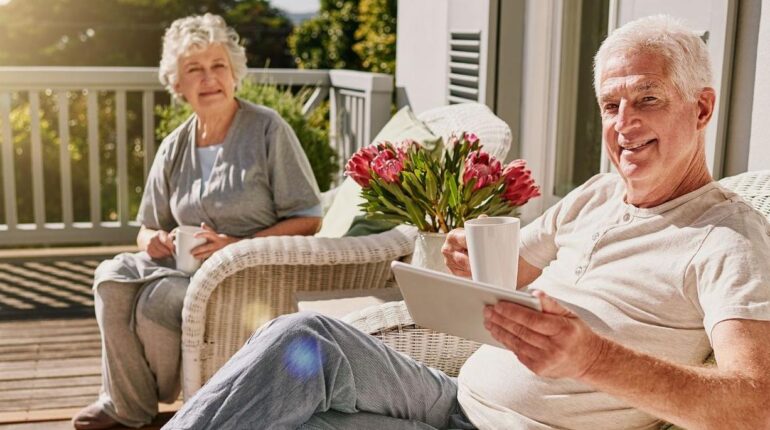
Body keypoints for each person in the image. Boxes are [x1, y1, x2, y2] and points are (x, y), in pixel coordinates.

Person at [161, 15, 770, 430]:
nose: (623, 124)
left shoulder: (728, 239)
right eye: (610, 105)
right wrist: (466, 262)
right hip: (452, 395)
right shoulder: (596, 194)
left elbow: (756, 403)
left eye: (648, 99)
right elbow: (508, 272)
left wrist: (593, 359)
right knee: (302, 341)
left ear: (702, 107)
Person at [72, 13, 323, 430]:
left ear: (234, 73)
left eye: (218, 65)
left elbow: (308, 218)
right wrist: (154, 240)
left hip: (246, 272)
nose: (209, 79)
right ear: (178, 85)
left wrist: (235, 244)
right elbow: (146, 227)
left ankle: (141, 401)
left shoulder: (267, 130)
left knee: (158, 302)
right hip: (183, 267)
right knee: (110, 279)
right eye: (194, 69)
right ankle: (126, 403)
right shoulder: (175, 145)